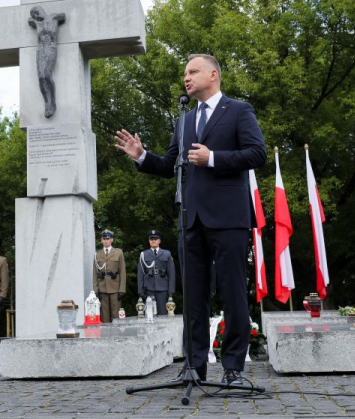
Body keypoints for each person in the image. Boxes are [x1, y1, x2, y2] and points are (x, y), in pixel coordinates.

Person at [114, 54, 267, 385]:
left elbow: (258, 153)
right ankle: (194, 367)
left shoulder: (239, 111)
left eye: (193, 71)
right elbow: (171, 164)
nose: (186, 77)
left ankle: (233, 370)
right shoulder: (184, 120)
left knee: (232, 293)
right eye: (185, 73)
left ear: (213, 75)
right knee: (193, 296)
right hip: (191, 219)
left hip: (229, 218)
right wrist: (142, 156)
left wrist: (214, 159)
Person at [137, 230, 175, 316]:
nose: (153, 241)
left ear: (159, 241)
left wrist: (171, 291)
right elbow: (140, 274)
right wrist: (140, 290)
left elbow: (171, 274)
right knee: (150, 314)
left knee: (163, 314)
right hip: (149, 288)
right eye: (151, 239)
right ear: (149, 241)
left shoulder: (166, 254)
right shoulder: (144, 254)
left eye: (155, 239)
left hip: (163, 287)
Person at [93, 229, 126, 323]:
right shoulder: (97, 255)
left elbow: (122, 271)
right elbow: (95, 274)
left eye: (108, 238)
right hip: (102, 288)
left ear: (112, 240)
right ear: (101, 240)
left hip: (115, 287)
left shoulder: (118, 253)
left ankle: (118, 335)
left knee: (116, 314)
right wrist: (96, 291)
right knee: (104, 315)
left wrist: (122, 289)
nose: (106, 240)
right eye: (104, 238)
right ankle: (106, 335)